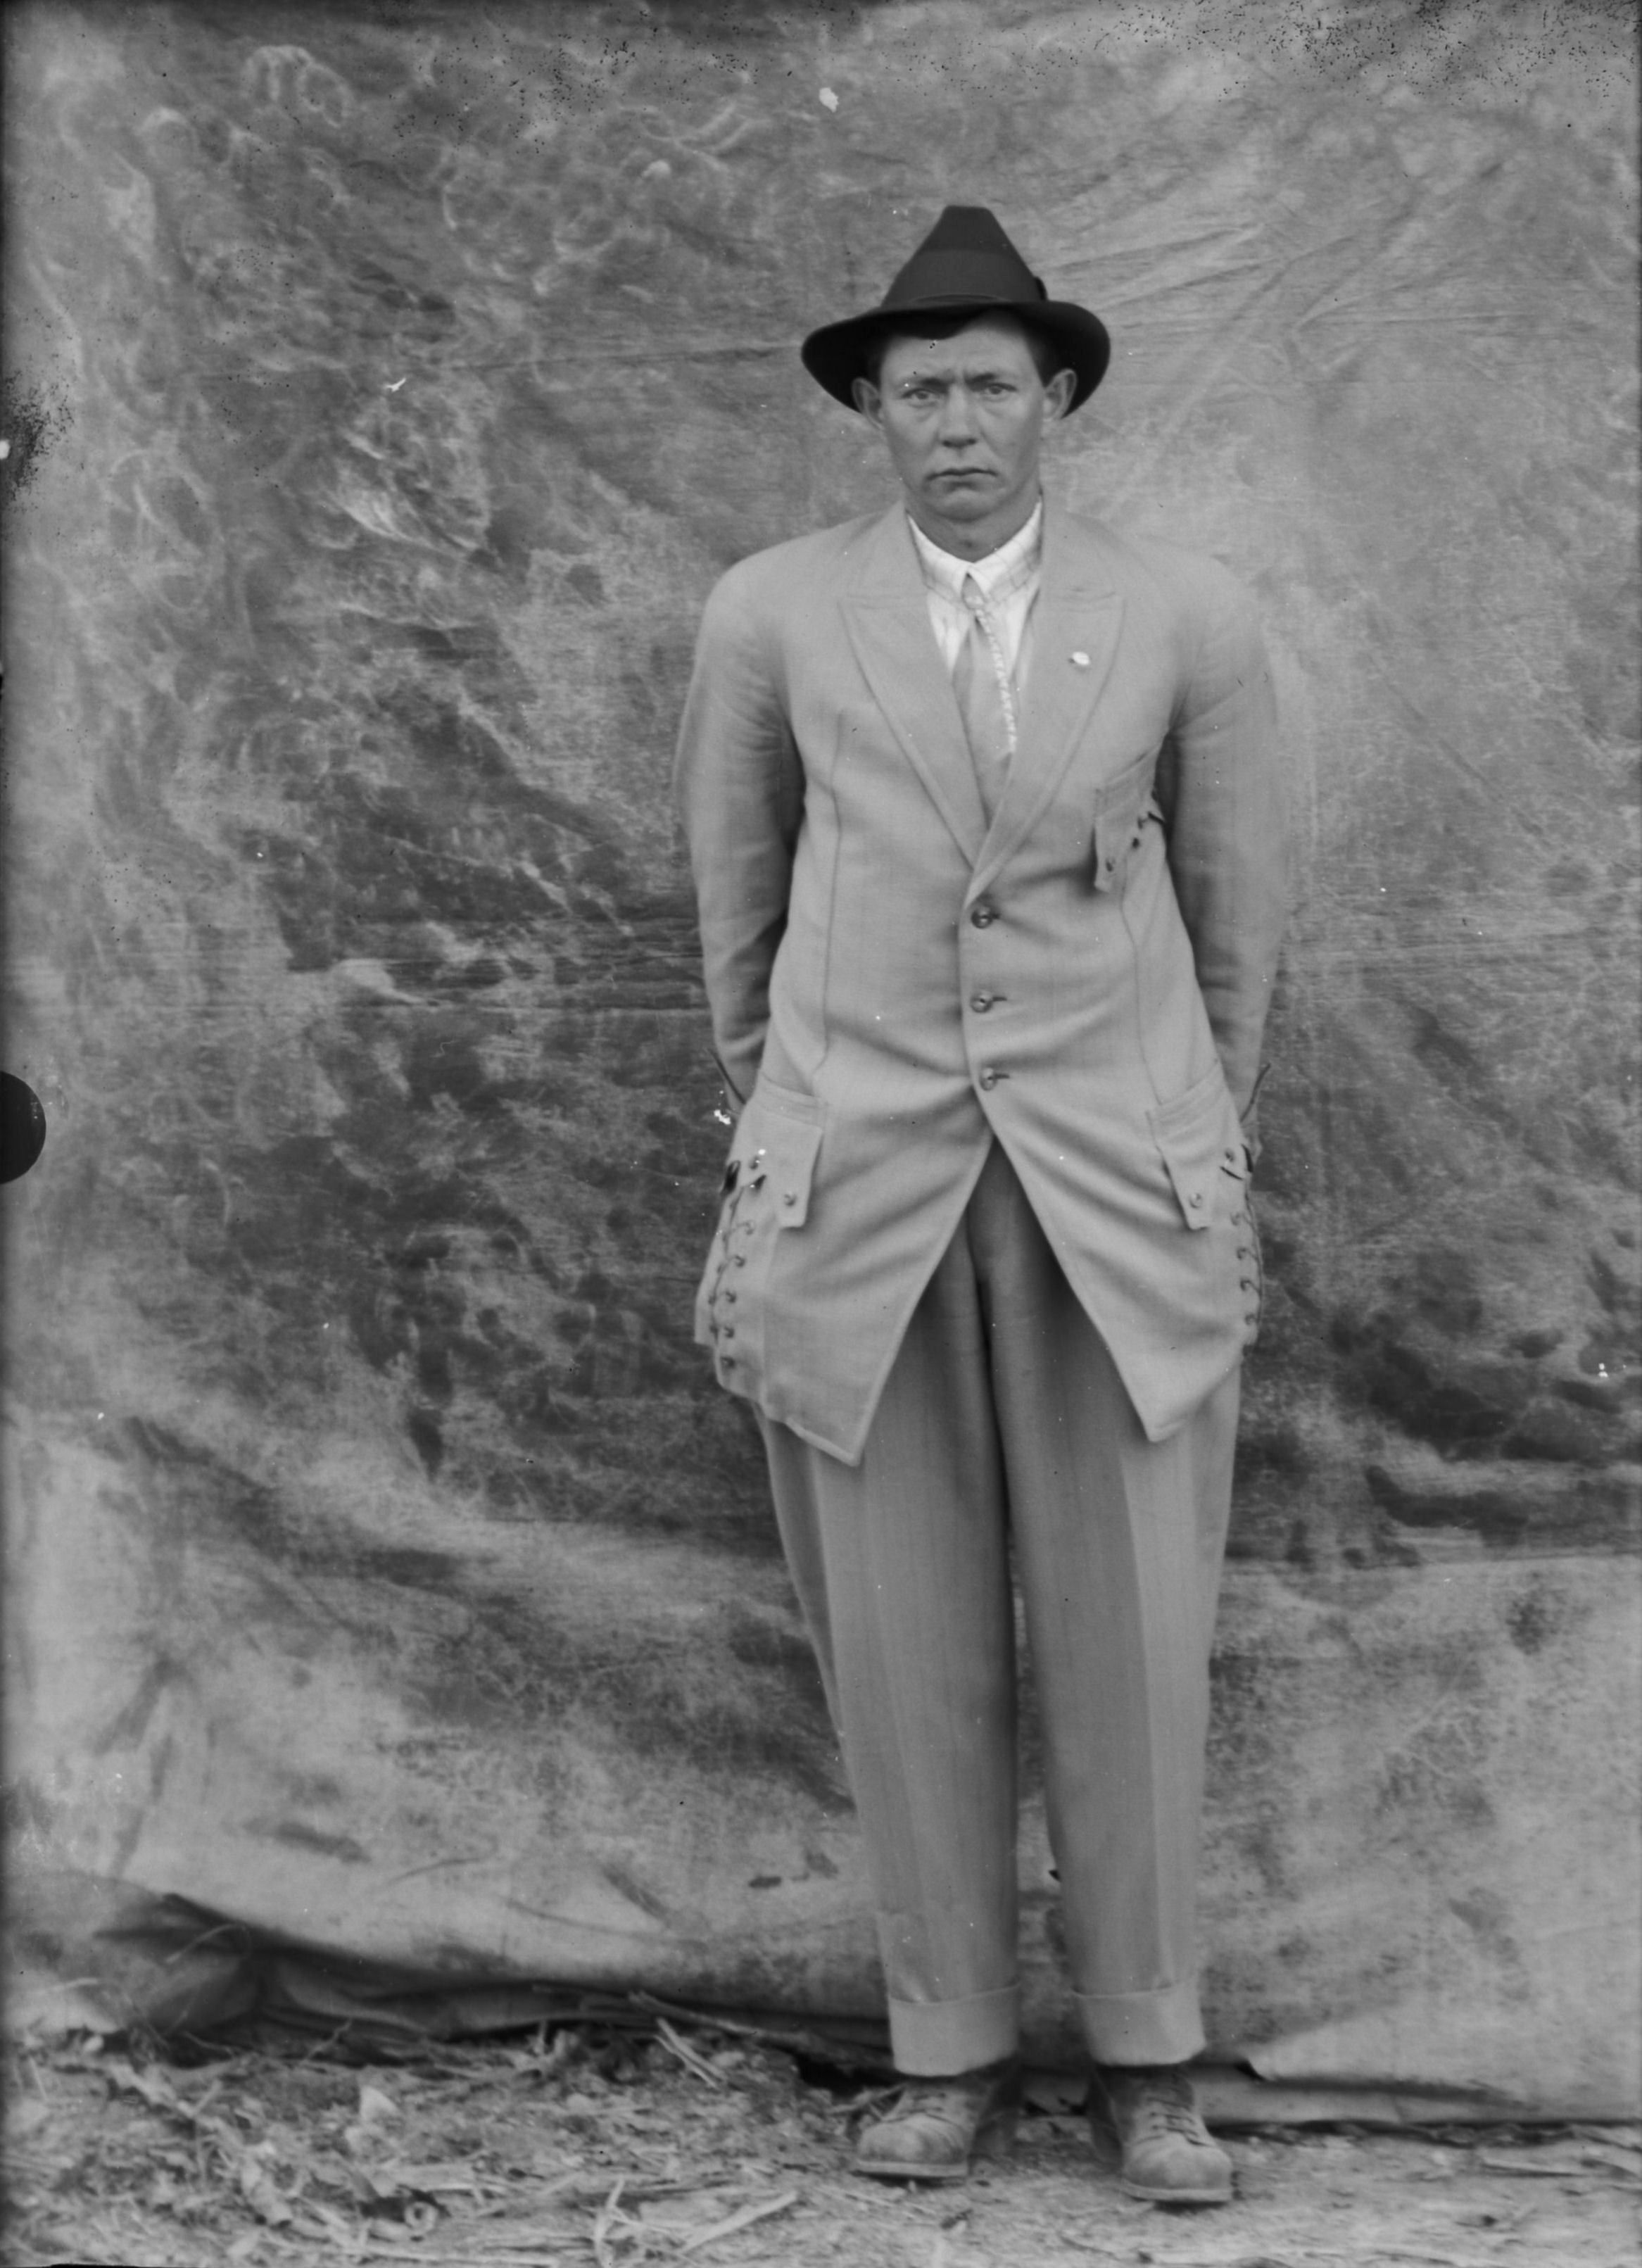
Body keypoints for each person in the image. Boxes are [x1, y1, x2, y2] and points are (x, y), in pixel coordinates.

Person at [674, 206, 1287, 2208]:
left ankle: (1150, 2070)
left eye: (993, 387)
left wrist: (1181, 1129)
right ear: (872, 409)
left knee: (1135, 1641)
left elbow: (1237, 922)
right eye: (919, 389)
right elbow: (737, 915)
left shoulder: (1186, 613)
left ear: (1059, 401)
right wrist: (803, 1114)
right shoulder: (772, 613)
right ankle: (945, 2057)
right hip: (864, 1190)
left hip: (1116, 1186)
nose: (956, 424)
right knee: (902, 1641)